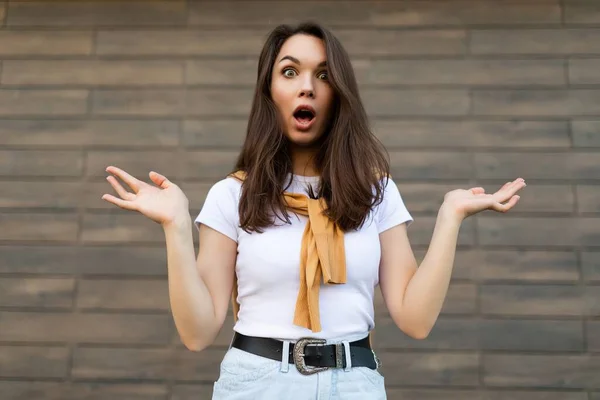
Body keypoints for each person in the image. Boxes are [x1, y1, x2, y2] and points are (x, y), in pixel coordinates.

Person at [101, 22, 526, 400]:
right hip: (257, 383)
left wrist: (451, 216)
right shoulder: (233, 196)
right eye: (290, 72)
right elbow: (197, 334)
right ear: (270, 92)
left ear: (338, 93)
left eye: (323, 75)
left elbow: (415, 320)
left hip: (356, 383)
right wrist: (176, 227)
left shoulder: (375, 192)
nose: (307, 86)